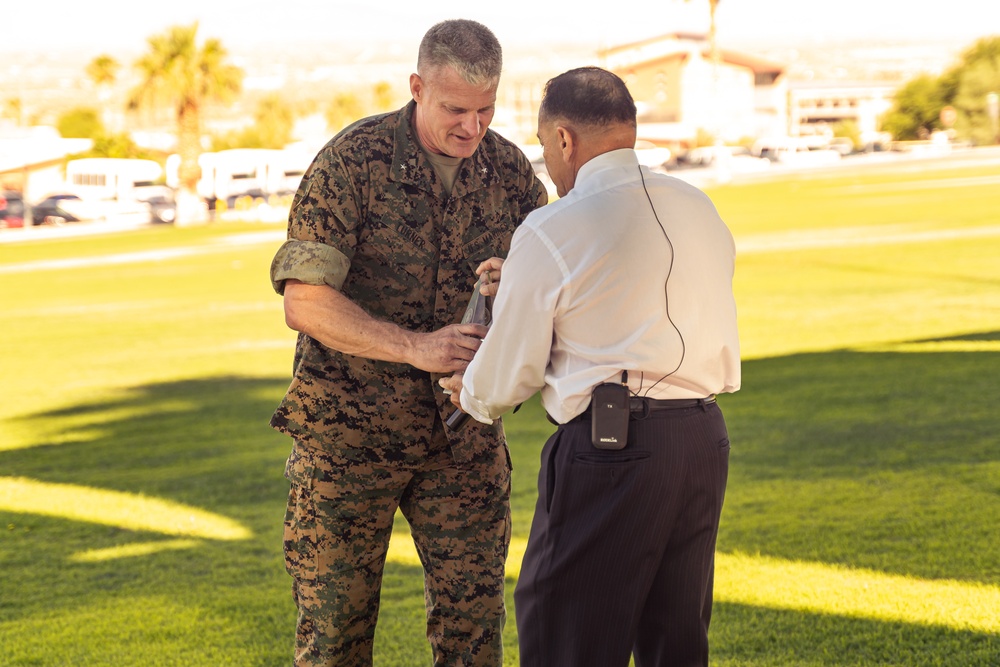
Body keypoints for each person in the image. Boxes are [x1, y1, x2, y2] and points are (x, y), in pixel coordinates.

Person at [268, 19, 548, 667]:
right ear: (417, 87)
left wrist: (516, 303)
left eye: (486, 110)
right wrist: (417, 347)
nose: (471, 128)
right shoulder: (351, 163)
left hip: (465, 440)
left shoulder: (508, 172)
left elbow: (550, 286)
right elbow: (303, 300)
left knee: (474, 635)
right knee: (335, 637)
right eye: (454, 109)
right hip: (348, 442)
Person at [441, 67, 740, 667]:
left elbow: (509, 376)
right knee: (675, 641)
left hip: (613, 447)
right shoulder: (697, 205)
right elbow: (633, 300)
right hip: (702, 439)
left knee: (566, 636)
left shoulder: (554, 227)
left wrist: (467, 392)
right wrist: (528, 280)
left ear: (564, 140)